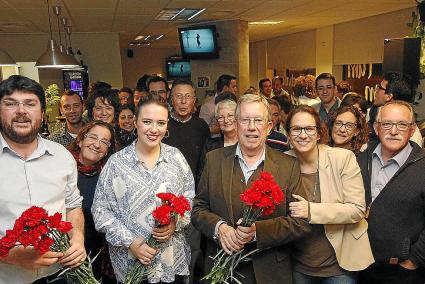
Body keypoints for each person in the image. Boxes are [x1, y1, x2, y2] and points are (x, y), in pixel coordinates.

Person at [192, 93, 311, 284]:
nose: (251, 127)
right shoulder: (214, 160)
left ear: (269, 126)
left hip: (270, 273)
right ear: (236, 123)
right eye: (245, 120)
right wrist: (219, 228)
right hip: (220, 270)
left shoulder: (289, 166)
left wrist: (258, 231)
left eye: (258, 120)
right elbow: (198, 209)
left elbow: (300, 223)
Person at [92, 94, 195, 283]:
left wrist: (175, 223)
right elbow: (100, 211)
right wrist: (131, 241)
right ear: (136, 122)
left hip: (170, 263)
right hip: (131, 266)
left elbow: (189, 200)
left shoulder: (176, 159)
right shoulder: (117, 163)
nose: (154, 129)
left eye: (161, 123)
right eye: (147, 121)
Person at [0, 75, 86, 283]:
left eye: (30, 104)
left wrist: (78, 238)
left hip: (58, 274)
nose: (21, 111)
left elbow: (72, 206)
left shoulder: (63, 156)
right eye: (11, 104)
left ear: (42, 113)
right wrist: (9, 255)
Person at [286, 105, 374, 283]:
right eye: (296, 129)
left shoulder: (342, 158)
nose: (303, 135)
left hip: (338, 266)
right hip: (298, 264)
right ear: (288, 134)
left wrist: (311, 211)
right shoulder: (282, 161)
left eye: (309, 129)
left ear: (319, 133)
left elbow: (357, 209)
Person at [357, 101, 425, 284]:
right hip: (359, 266)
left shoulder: (422, 166)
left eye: (402, 124)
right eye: (387, 124)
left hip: (402, 272)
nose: (393, 131)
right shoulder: (360, 159)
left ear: (412, 130)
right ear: (376, 127)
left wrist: (414, 260)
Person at [67, 120, 115, 281]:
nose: (97, 144)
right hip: (63, 250)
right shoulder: (63, 167)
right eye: (93, 137)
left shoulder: (109, 175)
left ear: (108, 150)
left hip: (95, 253)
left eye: (104, 142)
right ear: (80, 140)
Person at [369, 72, 422, 145]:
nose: (376, 90)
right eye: (386, 124)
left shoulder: (411, 134)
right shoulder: (373, 115)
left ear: (388, 96)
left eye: (379, 87)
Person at [197, 99, 238, 182]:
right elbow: (201, 177)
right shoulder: (210, 146)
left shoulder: (246, 144)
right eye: (220, 117)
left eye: (230, 115)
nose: (226, 120)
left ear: (238, 117)